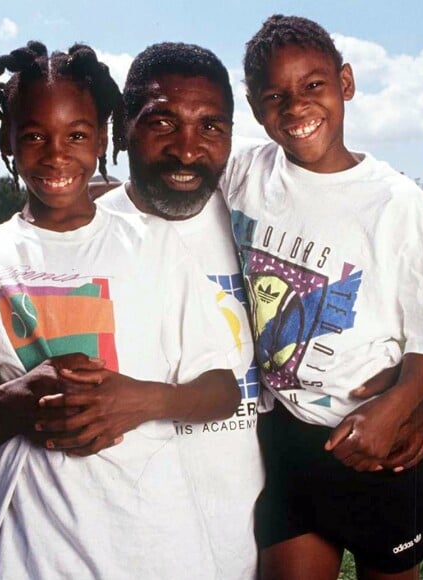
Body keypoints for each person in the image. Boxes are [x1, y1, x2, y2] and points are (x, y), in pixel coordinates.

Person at [0, 41, 242, 579]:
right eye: (34, 136)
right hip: (37, 551)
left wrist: (141, 400)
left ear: (103, 136)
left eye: (77, 135)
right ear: (8, 142)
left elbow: (222, 390)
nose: (56, 155)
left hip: (157, 544)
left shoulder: (156, 241)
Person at [218, 14, 423, 580]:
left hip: (372, 441)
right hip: (282, 436)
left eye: (313, 86)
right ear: (256, 109)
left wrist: (397, 409)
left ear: (345, 82)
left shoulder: (397, 204)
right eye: (274, 96)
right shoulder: (245, 173)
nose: (296, 106)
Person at [96, 42, 264, 580]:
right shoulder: (83, 237)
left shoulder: (253, 221)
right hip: (126, 547)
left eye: (211, 127)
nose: (188, 150)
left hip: (250, 542)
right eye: (162, 122)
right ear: (123, 126)